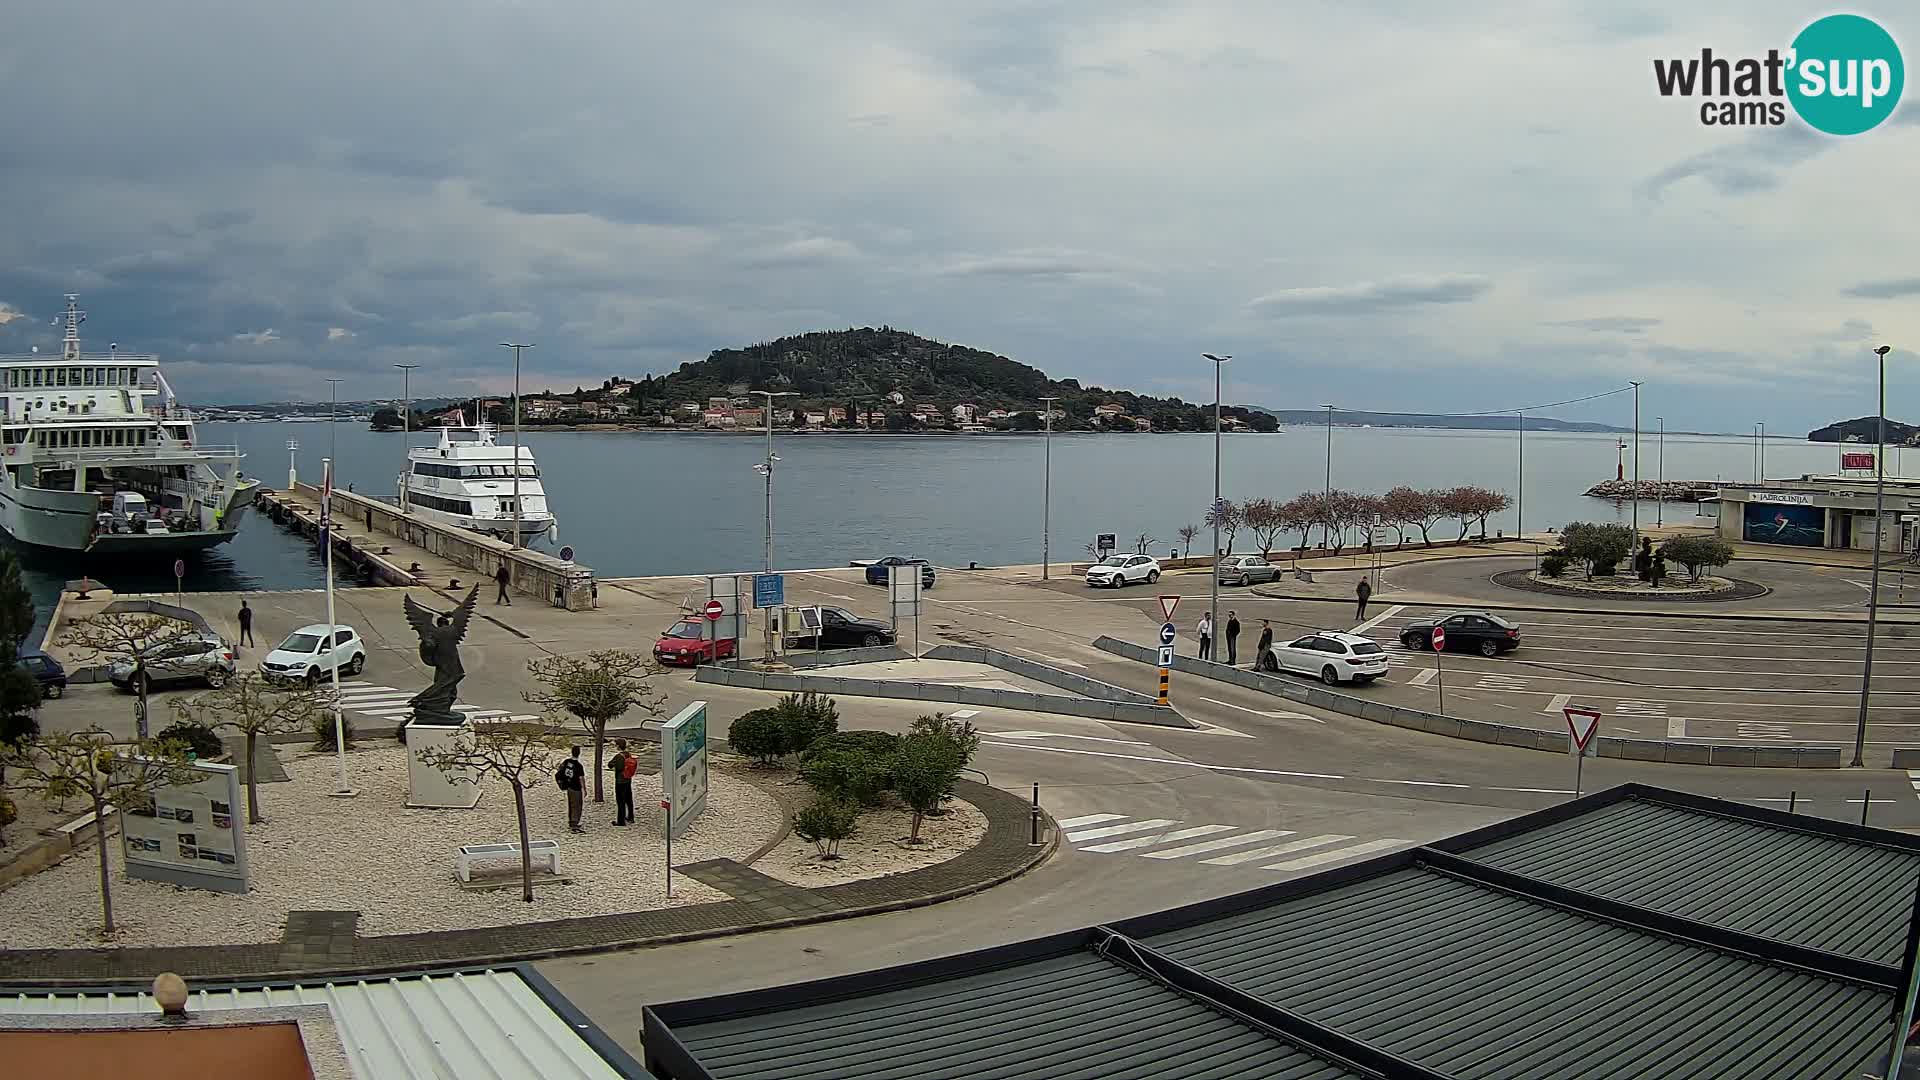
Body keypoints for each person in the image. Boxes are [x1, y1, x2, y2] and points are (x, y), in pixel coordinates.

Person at [556, 747, 585, 832]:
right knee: (577, 805)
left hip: (568, 786)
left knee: (571, 804)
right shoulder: (578, 766)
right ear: (579, 753)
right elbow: (581, 778)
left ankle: (571, 821)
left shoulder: (567, 762)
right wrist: (584, 788)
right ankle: (575, 824)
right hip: (576, 787)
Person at [608, 739, 636, 826]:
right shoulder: (628, 754)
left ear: (618, 746)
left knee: (620, 801)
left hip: (620, 781)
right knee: (628, 799)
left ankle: (621, 821)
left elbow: (611, 765)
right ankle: (630, 817)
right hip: (628, 779)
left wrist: (613, 764)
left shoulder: (618, 757)